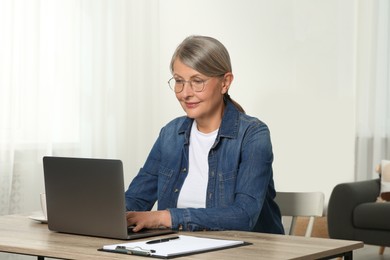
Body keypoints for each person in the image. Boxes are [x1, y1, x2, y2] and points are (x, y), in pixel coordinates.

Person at [125, 35, 284, 234]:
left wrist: (163, 217)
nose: (185, 93)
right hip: (180, 248)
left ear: (225, 83)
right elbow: (135, 199)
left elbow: (244, 215)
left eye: (197, 81)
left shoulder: (253, 135)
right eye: (179, 81)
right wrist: (107, 213)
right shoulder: (171, 134)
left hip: (243, 251)